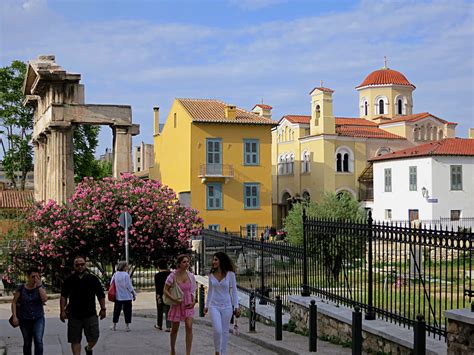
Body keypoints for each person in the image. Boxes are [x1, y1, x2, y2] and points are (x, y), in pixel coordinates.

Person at [60, 256, 106, 355]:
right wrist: (62, 311)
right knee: (75, 340)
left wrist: (103, 309)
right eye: (77, 265)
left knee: (94, 337)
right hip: (74, 315)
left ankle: (88, 348)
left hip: (90, 314)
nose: (80, 267)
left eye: (82, 264)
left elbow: (100, 295)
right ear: (74, 266)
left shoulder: (93, 279)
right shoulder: (69, 280)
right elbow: (63, 296)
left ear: (85, 265)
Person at [204, 252, 240, 355]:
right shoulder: (211, 275)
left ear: (221, 261)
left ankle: (223, 353)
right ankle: (217, 351)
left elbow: (234, 291)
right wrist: (206, 305)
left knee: (224, 331)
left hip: (227, 306)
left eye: (216, 260)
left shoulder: (230, 274)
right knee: (217, 330)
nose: (213, 262)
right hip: (214, 306)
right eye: (213, 260)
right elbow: (210, 291)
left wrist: (236, 306)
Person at [11, 266, 48, 355]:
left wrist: (39, 285)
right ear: (28, 277)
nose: (35, 279)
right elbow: (14, 302)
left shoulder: (40, 287)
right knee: (27, 342)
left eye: (37, 277)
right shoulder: (21, 288)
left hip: (38, 318)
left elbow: (44, 299)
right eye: (33, 277)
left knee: (38, 340)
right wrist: (15, 316)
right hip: (25, 319)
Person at [164, 254, 196, 355]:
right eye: (184, 262)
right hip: (177, 304)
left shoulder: (190, 276)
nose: (187, 264)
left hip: (188, 304)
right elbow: (165, 290)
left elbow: (193, 291)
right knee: (174, 329)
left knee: (189, 326)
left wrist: (194, 302)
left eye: (188, 262)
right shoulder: (172, 276)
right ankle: (173, 349)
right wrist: (174, 299)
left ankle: (188, 353)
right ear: (179, 264)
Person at [111, 261, 137, 332]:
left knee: (116, 311)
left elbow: (111, 283)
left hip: (118, 296)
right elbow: (129, 286)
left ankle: (114, 325)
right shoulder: (126, 275)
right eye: (127, 266)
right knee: (127, 311)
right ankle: (127, 326)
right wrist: (133, 294)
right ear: (124, 267)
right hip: (127, 296)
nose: (128, 267)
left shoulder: (115, 274)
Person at [154, 259, 171, 331]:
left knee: (160, 310)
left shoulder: (157, 275)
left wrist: (158, 296)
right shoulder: (170, 274)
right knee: (168, 309)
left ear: (158, 267)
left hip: (160, 294)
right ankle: (169, 326)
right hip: (169, 294)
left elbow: (157, 287)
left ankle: (159, 324)